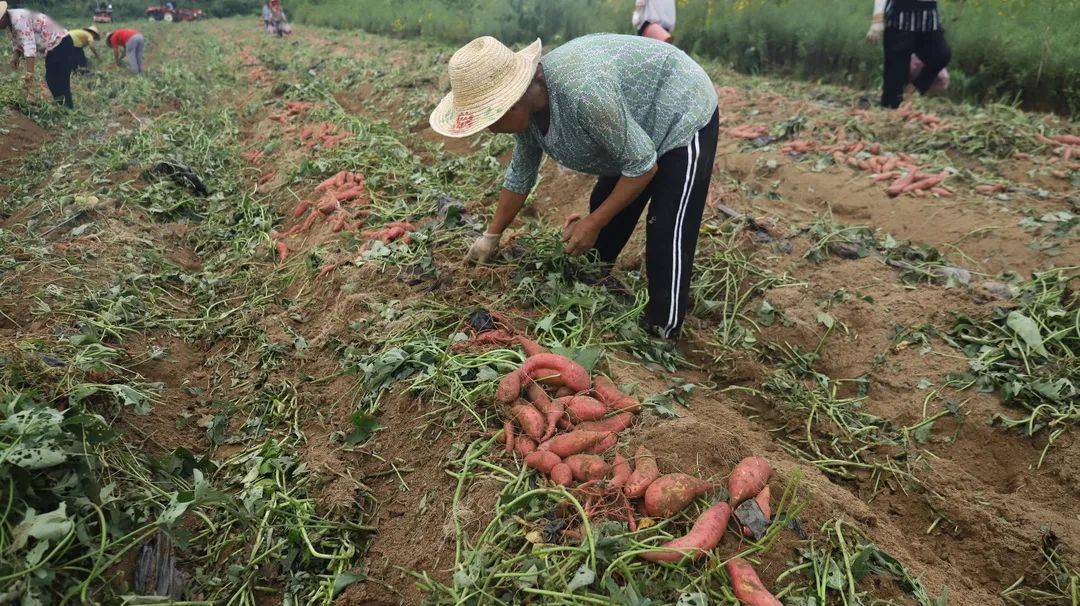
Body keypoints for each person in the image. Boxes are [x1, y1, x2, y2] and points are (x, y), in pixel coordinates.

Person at [431, 35, 719, 339]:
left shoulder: (584, 94)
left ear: (514, 99)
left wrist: (593, 222)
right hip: (633, 126)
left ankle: (662, 332)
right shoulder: (528, 109)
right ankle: (597, 286)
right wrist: (492, 236)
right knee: (604, 207)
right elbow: (521, 173)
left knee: (666, 229)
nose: (490, 128)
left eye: (490, 117)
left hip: (680, 108)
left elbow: (643, 167)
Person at [866, 0, 951, 108]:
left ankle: (914, 89)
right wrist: (877, 20)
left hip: (928, 19)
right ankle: (890, 106)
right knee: (893, 93)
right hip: (900, 20)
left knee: (941, 55)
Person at [1, 2, 78, 108]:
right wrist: (15, 56)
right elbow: (16, 39)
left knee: (56, 79)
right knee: (54, 79)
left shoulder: (19, 19)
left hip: (60, 42)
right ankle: (64, 107)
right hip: (54, 46)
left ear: (2, 17)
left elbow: (29, 46)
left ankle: (67, 108)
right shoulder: (10, 21)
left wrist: (29, 75)